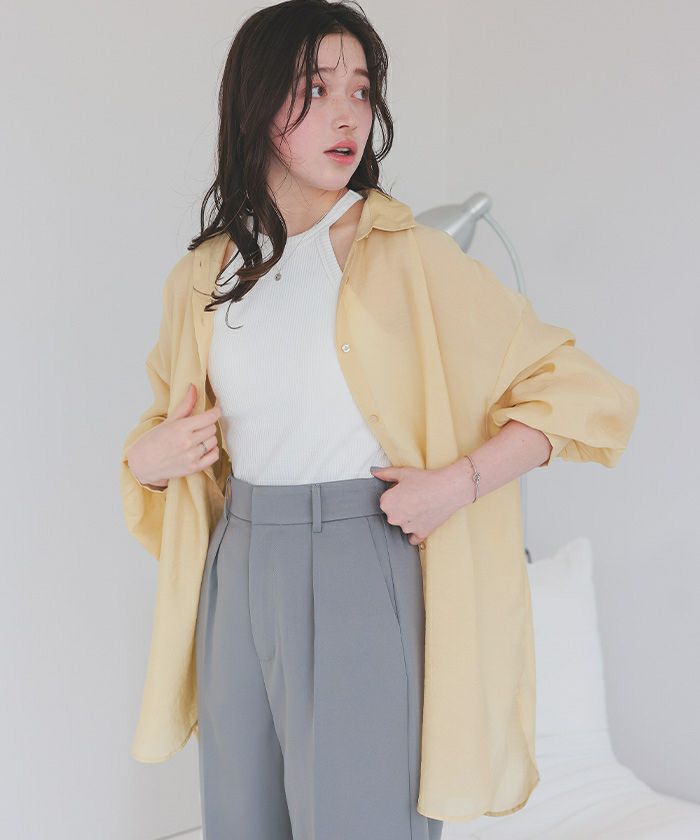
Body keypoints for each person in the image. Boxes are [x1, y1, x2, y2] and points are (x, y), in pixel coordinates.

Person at [120, 1, 640, 837]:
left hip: (361, 558)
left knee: (361, 820)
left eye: (361, 90)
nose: (347, 114)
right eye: (316, 88)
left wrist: (458, 484)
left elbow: (583, 392)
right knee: (241, 820)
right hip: (237, 565)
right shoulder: (204, 276)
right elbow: (163, 438)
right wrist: (146, 461)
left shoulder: (412, 256)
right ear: (256, 105)